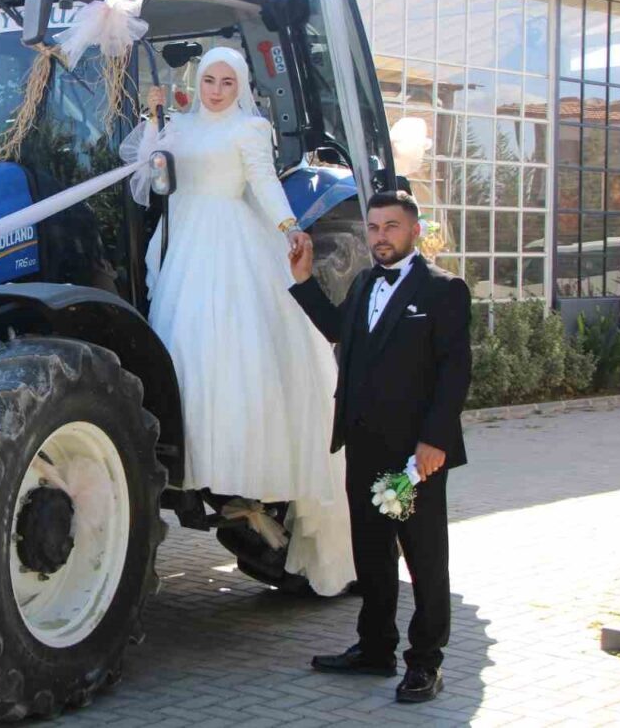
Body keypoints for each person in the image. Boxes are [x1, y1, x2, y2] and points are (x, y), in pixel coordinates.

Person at [124, 46, 354, 596]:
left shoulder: (250, 129)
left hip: (228, 240)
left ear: (241, 85)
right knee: (186, 351)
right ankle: (187, 453)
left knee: (231, 348)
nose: (218, 89)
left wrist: (288, 226)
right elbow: (144, 172)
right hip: (184, 243)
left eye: (228, 81)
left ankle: (240, 470)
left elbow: (264, 182)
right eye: (211, 79)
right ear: (197, 81)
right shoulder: (179, 124)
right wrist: (148, 121)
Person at [287, 190, 472, 704]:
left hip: (413, 458)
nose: (380, 237)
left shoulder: (444, 290)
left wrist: (434, 442)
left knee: (423, 557)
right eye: (372, 227)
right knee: (371, 553)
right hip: (363, 446)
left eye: (391, 227)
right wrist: (304, 279)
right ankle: (374, 649)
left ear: (414, 231)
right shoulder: (366, 282)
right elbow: (336, 330)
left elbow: (455, 372)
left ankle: (426, 663)